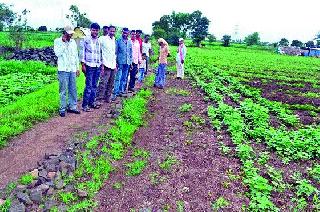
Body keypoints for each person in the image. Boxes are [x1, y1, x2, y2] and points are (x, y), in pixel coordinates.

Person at [54, 25, 81, 117]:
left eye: (71, 34)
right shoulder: (57, 41)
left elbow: (75, 56)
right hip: (63, 69)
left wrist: (77, 68)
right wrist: (64, 43)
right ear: (64, 33)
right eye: (68, 34)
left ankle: (72, 107)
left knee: (73, 89)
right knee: (63, 90)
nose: (70, 36)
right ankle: (62, 108)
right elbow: (58, 53)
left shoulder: (73, 42)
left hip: (72, 69)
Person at [80, 22, 102, 112]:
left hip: (97, 65)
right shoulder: (85, 39)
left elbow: (100, 53)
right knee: (88, 86)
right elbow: (82, 52)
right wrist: (83, 64)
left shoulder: (99, 41)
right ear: (90, 30)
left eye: (96, 30)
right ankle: (85, 105)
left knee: (94, 86)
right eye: (93, 30)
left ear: (98, 31)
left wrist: (101, 65)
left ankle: (92, 103)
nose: (95, 32)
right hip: (89, 66)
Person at [97, 25, 117, 103]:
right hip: (105, 64)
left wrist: (115, 65)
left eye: (114, 31)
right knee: (103, 83)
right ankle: (99, 99)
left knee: (111, 83)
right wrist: (101, 64)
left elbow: (113, 53)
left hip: (112, 64)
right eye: (111, 31)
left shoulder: (114, 40)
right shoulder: (102, 39)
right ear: (108, 31)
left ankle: (107, 97)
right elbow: (99, 51)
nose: (112, 32)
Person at [113, 27, 132, 101]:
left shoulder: (129, 42)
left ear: (128, 33)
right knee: (118, 77)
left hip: (127, 62)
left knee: (124, 77)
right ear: (122, 32)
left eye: (126, 33)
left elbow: (130, 52)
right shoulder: (118, 41)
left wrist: (131, 63)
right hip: (120, 62)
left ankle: (121, 91)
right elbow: (116, 52)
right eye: (124, 32)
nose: (125, 34)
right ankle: (115, 92)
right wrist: (116, 62)